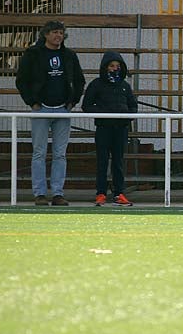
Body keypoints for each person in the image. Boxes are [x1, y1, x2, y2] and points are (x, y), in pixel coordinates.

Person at [15, 20, 86, 206]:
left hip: (63, 108)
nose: (58, 36)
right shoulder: (33, 54)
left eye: (61, 33)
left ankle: (57, 193)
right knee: (39, 152)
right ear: (45, 34)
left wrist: (73, 101)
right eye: (54, 32)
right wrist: (32, 102)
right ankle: (39, 193)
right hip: (41, 108)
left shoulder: (69, 55)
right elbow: (22, 80)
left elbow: (79, 80)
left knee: (60, 154)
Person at [81, 51, 137, 206]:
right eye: (112, 66)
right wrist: (103, 114)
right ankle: (101, 193)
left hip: (121, 129)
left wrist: (128, 116)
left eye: (118, 66)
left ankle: (119, 193)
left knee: (118, 162)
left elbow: (133, 105)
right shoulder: (97, 84)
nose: (115, 68)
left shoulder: (125, 86)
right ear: (105, 67)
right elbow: (86, 105)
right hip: (104, 128)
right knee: (102, 161)